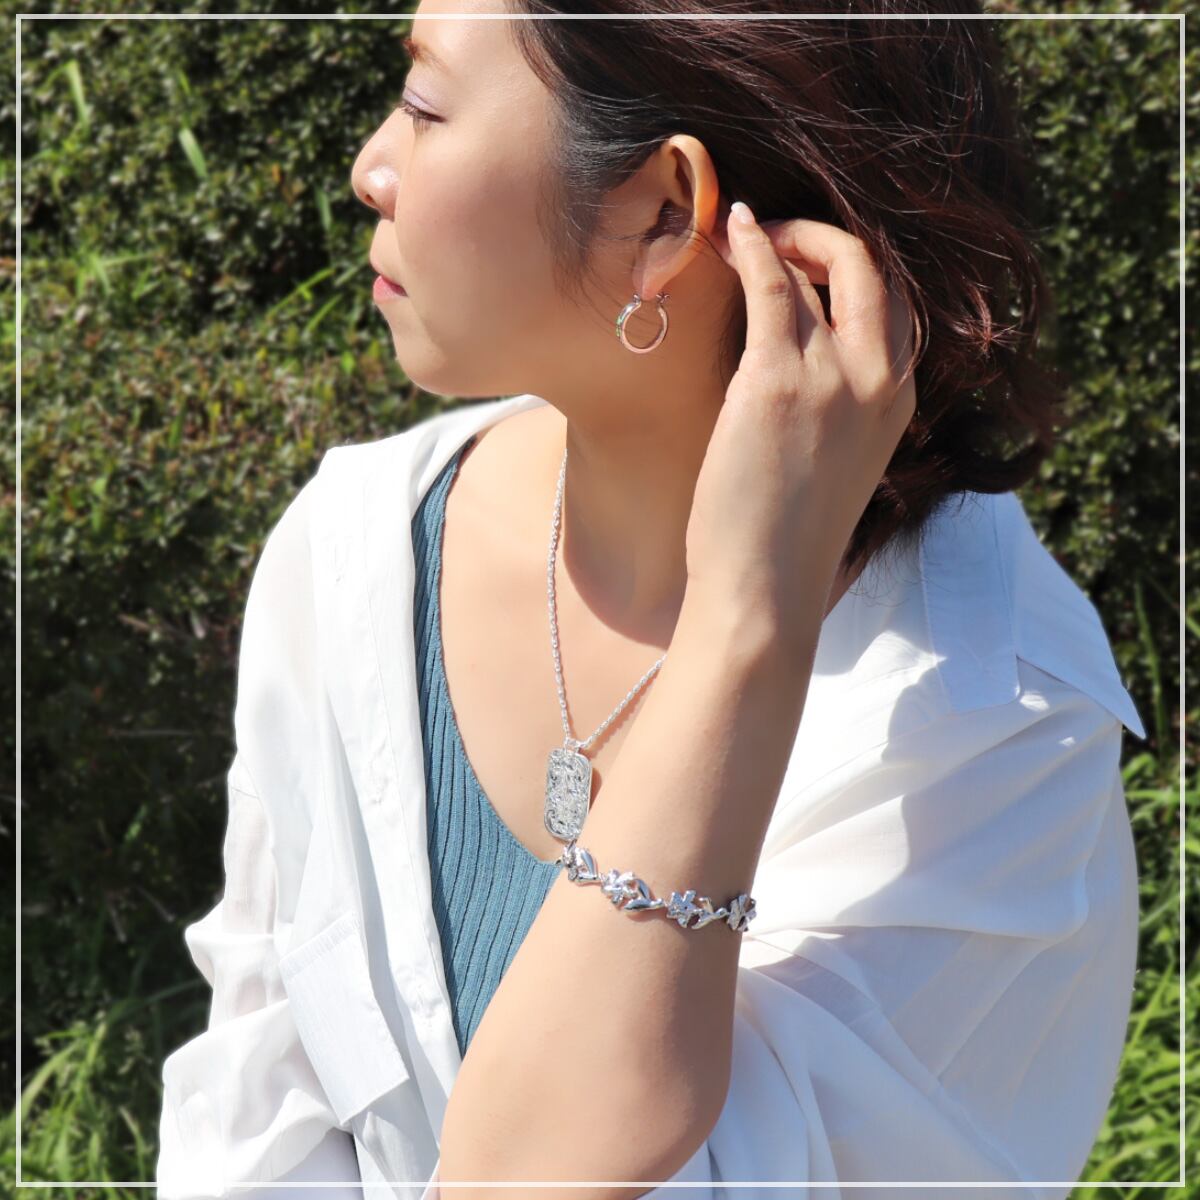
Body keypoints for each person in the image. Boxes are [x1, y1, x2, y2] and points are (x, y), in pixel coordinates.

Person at [156, 3, 1148, 1198]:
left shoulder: (987, 727)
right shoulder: (359, 551)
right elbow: (253, 1116)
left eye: (424, 106)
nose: (372, 167)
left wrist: (743, 630)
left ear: (666, 212)